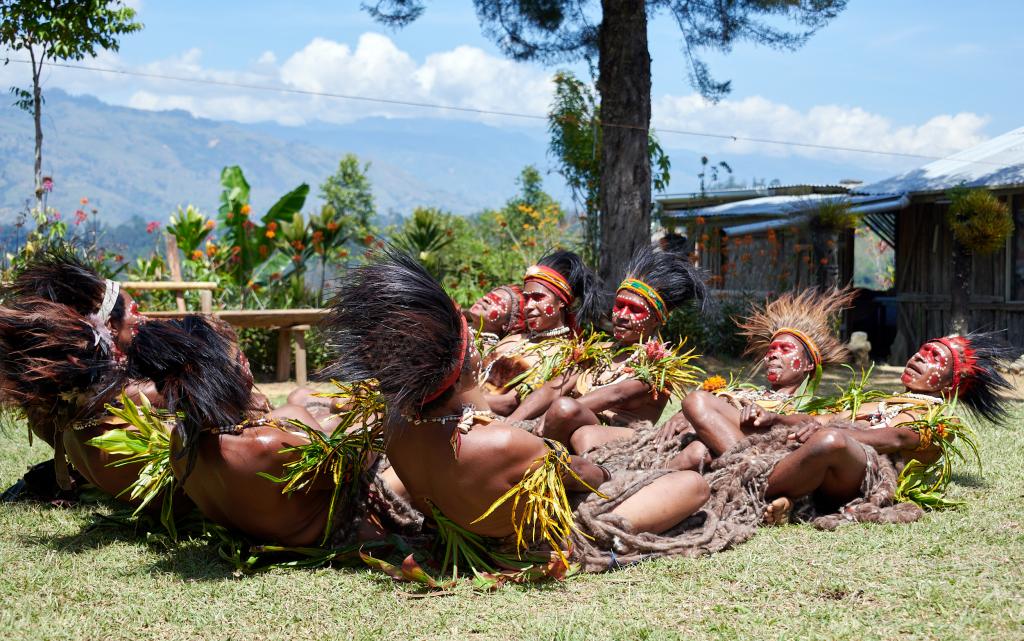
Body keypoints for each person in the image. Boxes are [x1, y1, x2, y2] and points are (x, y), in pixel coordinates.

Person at [320, 247, 715, 573]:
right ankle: (612, 533)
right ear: (466, 363)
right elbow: (586, 473)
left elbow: (586, 403)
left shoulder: (399, 431)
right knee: (693, 486)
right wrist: (600, 469)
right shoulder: (504, 442)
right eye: (470, 340)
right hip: (532, 535)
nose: (623, 316)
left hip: (466, 522)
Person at [739, 331, 1016, 526]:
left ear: (949, 384)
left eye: (932, 356)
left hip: (860, 480)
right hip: (824, 469)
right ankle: (784, 498)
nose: (919, 357)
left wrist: (831, 433)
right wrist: (774, 419)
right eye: (921, 351)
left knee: (832, 439)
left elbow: (893, 438)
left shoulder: (939, 421)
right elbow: (821, 419)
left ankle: (744, 490)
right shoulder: (875, 403)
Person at [508, 245, 707, 454]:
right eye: (619, 306)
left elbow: (617, 394)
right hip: (571, 423)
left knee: (570, 416)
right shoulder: (599, 351)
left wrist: (554, 414)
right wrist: (511, 423)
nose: (622, 315)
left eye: (635, 310)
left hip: (620, 436)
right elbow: (555, 387)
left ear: (657, 319)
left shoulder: (660, 365)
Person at [0, 250, 161, 502]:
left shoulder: (60, 392)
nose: (144, 318)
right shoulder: (138, 393)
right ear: (109, 326)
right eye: (135, 311)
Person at [670, 287, 856, 470]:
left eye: (785, 349)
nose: (773, 355)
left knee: (696, 401)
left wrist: (775, 417)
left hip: (766, 451)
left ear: (809, 365)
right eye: (771, 349)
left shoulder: (810, 406)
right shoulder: (746, 393)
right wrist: (682, 416)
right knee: (697, 451)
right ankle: (649, 480)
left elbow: (818, 422)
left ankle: (755, 472)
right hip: (731, 444)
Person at [482, 250, 604, 415]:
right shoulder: (514, 337)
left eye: (538, 298)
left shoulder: (565, 354)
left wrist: (462, 401)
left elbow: (509, 403)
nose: (529, 305)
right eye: (526, 298)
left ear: (561, 301)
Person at [464, 284, 527, 348]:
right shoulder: (460, 327)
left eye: (497, 301)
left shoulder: (488, 353)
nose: (485, 298)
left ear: (506, 325)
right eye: (489, 295)